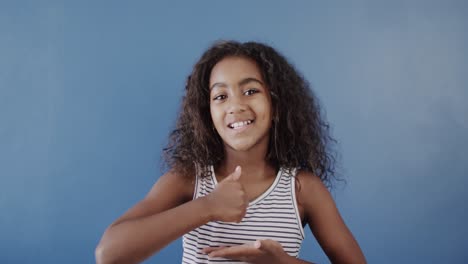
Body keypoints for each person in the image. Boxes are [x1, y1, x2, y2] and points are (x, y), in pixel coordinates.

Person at [95, 40, 366, 264]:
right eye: (221, 96)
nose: (235, 106)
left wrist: (284, 263)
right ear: (207, 115)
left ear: (276, 105)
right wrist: (207, 207)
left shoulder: (303, 189)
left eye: (250, 91)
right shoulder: (188, 180)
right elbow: (109, 254)